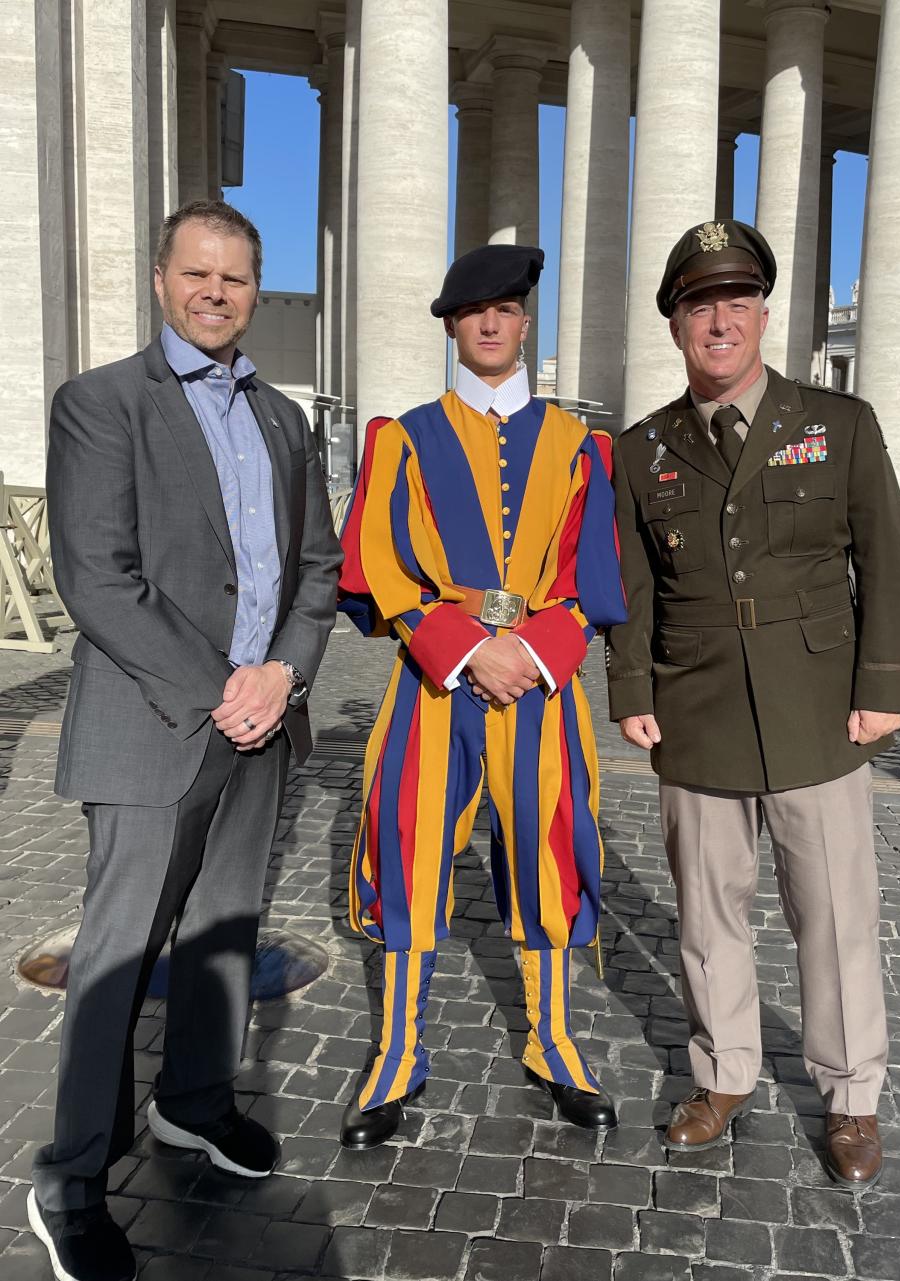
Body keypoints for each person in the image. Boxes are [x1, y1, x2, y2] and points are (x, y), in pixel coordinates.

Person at [30, 199, 342, 1281]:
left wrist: (286, 672)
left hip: (262, 721)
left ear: (257, 291)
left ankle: (195, 1104)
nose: (217, 293)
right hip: (156, 723)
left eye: (238, 279)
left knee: (225, 930)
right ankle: (71, 1179)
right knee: (115, 960)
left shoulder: (283, 421)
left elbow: (317, 572)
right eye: (198, 274)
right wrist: (225, 687)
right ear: (162, 278)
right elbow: (98, 581)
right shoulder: (102, 403)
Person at [606, 220, 900, 1191]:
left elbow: (889, 565)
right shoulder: (640, 450)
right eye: (700, 304)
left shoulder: (841, 423)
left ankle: (852, 1094)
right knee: (708, 915)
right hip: (693, 709)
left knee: (833, 915)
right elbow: (632, 588)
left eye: (735, 301)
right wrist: (629, 690)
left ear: (763, 314)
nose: (719, 320)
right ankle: (724, 1074)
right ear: (676, 326)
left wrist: (884, 690)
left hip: (818, 708)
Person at [337, 244, 627, 1148]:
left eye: (506, 308)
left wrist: (534, 651)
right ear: (453, 327)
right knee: (411, 844)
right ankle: (396, 1052)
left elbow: (596, 575)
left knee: (550, 848)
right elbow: (375, 563)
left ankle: (552, 1041)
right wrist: (464, 650)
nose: (492, 323)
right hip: (436, 680)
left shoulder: (582, 446)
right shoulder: (406, 437)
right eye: (474, 312)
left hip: (540, 681)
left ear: (526, 321)